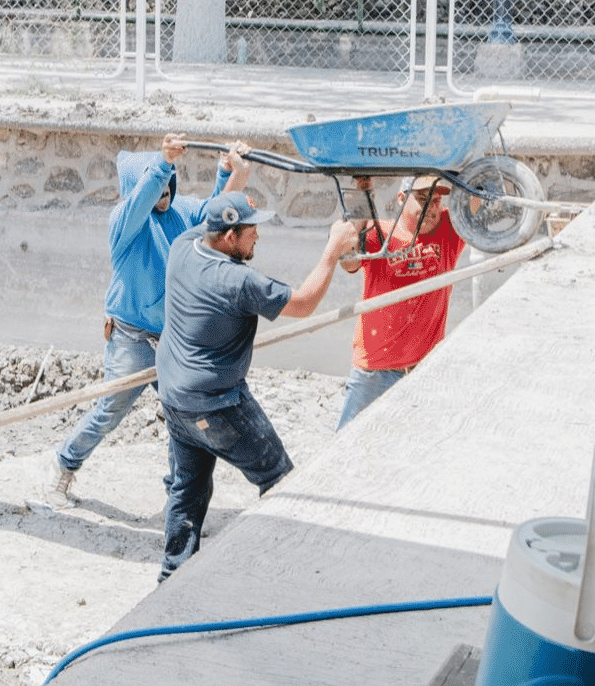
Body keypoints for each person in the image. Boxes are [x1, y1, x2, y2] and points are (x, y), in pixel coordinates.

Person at [40, 132, 249, 510]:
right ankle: (64, 464)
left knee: (184, 418)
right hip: (131, 339)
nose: (164, 193)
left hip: (172, 340)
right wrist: (164, 163)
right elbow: (143, 198)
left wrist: (230, 172)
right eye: (157, 186)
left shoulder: (182, 212)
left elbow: (215, 216)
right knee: (110, 411)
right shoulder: (125, 222)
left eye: (169, 185)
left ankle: (178, 497)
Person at [154, 193, 357, 581]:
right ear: (230, 236)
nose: (258, 237)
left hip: (175, 398)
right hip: (216, 404)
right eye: (252, 231)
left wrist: (237, 177)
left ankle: (171, 577)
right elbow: (303, 303)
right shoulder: (238, 281)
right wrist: (332, 251)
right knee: (280, 479)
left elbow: (212, 213)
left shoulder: (184, 246)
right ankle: (275, 573)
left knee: (188, 488)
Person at [335, 175, 468, 429]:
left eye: (436, 201)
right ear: (401, 198)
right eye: (422, 199)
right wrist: (362, 195)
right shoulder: (380, 233)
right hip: (375, 371)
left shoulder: (448, 231)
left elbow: (473, 204)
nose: (430, 208)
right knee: (349, 442)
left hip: (424, 370)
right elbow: (348, 262)